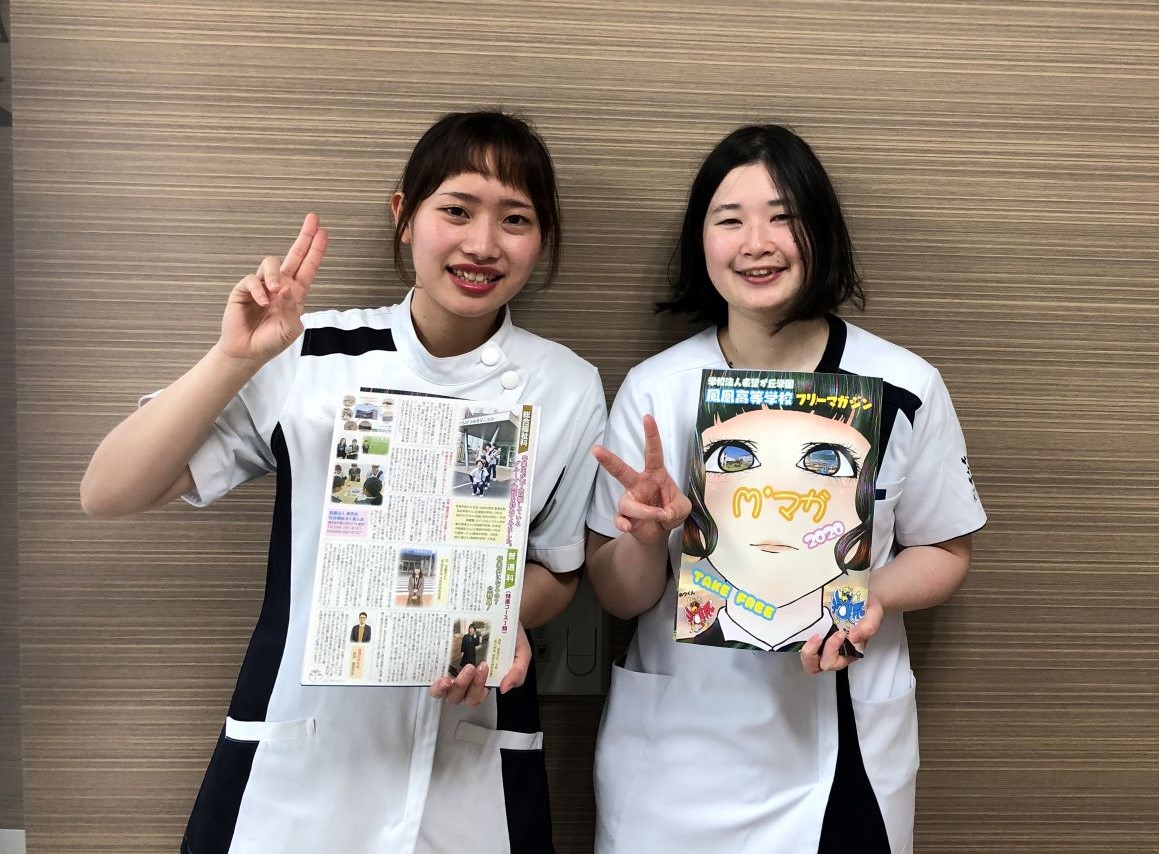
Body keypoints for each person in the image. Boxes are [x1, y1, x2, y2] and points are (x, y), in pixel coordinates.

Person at [80, 110, 607, 854]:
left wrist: (485, 622)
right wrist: (234, 358)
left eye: (515, 219)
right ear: (404, 215)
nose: (483, 244)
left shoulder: (567, 385)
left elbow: (557, 571)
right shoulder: (313, 354)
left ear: (541, 237)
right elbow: (109, 490)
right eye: (457, 210)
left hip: (469, 745)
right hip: (303, 749)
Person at [585, 124, 986, 854]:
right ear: (700, 241)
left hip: (839, 746)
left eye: (782, 216)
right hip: (680, 751)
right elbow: (619, 597)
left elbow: (946, 550)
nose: (756, 243)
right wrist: (644, 537)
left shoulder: (902, 386)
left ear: (820, 231)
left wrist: (871, 595)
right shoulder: (656, 390)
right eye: (729, 220)